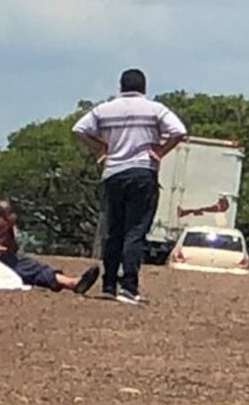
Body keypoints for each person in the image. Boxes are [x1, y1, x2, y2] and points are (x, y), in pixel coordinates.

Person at [73, 68, 187, 305]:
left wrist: (100, 148)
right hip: (142, 171)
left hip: (113, 172)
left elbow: (79, 128)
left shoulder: (106, 109)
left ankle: (109, 283)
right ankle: (129, 286)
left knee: (114, 230)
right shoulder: (155, 109)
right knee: (135, 231)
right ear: (144, 87)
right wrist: (161, 151)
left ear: (121, 86)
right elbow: (179, 131)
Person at [0, 200, 100, 294]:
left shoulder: (4, 223)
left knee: (24, 264)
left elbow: (12, 248)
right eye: (1, 227)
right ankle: (69, 283)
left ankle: (71, 282)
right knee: (17, 268)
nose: (2, 230)